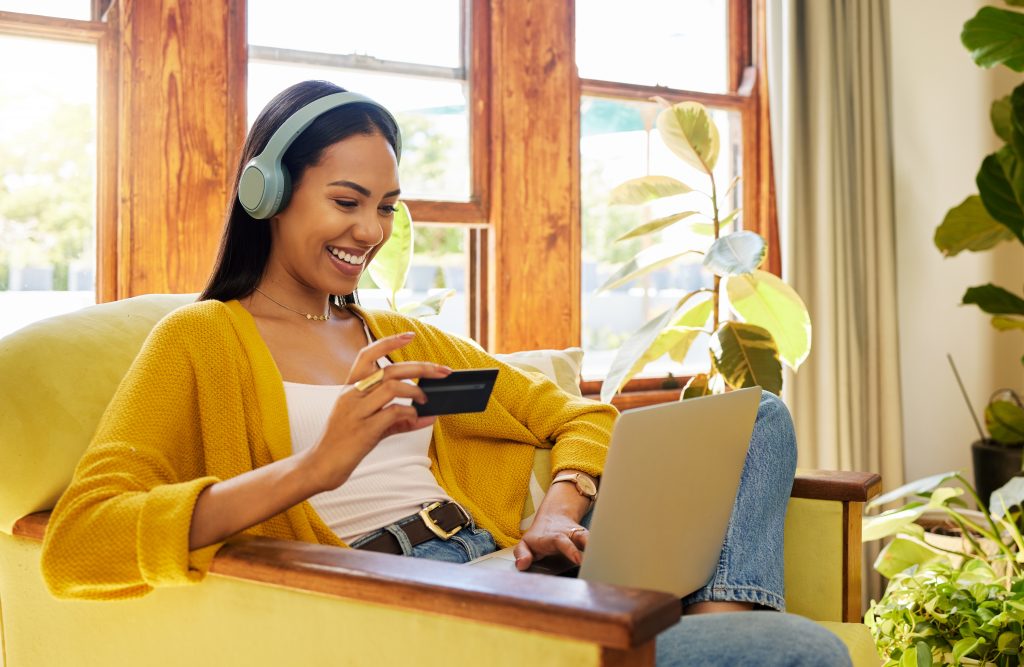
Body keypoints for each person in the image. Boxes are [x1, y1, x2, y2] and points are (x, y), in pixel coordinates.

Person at [40, 80, 851, 666]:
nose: (372, 229)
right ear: (270, 193)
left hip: (515, 569)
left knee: (758, 418)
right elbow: (80, 542)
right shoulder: (201, 338)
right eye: (348, 200)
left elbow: (577, 415)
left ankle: (713, 616)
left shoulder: (395, 334)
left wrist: (556, 508)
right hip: (420, 602)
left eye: (387, 205)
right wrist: (318, 466)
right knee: (798, 651)